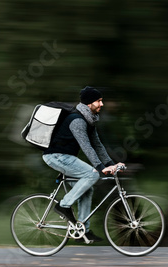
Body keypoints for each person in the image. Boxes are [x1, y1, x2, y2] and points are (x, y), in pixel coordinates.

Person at [42, 86, 124, 243]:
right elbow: (86, 146)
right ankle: (63, 206)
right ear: (88, 103)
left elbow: (97, 145)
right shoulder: (77, 120)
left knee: (87, 189)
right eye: (99, 101)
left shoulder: (90, 120)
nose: (102, 104)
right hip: (56, 156)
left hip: (65, 157)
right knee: (92, 174)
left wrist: (110, 164)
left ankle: (82, 231)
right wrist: (100, 168)